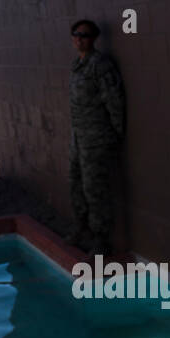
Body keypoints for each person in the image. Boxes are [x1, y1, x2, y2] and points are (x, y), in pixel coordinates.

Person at [65, 19, 125, 256]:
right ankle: (82, 228)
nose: (80, 39)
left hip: (97, 139)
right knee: (75, 184)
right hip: (79, 138)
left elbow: (114, 101)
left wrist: (116, 133)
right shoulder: (77, 65)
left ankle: (101, 240)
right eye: (76, 34)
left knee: (95, 189)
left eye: (85, 35)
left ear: (94, 39)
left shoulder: (100, 65)